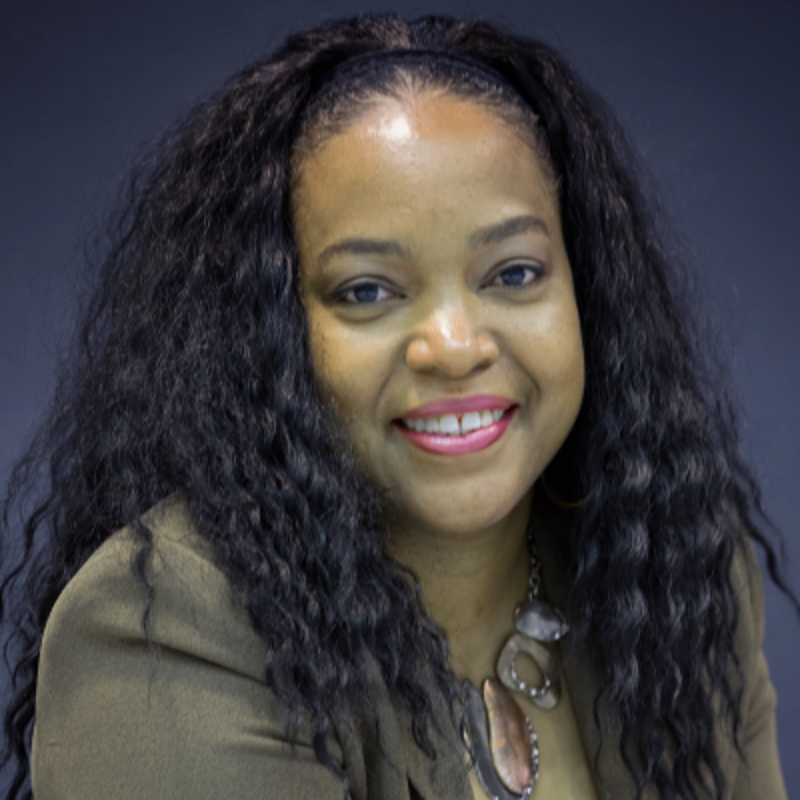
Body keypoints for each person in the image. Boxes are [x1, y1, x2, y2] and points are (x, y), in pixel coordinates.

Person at [0, 12, 793, 800]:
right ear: (269, 333)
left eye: (514, 273)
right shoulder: (160, 630)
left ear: (588, 293)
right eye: (367, 291)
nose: (453, 345)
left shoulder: (672, 560)